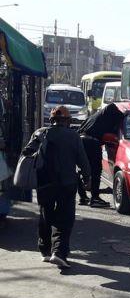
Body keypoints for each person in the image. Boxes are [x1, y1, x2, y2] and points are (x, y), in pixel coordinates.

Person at [22, 106, 91, 269]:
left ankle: (45, 250)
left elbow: (26, 152)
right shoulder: (73, 136)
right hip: (66, 183)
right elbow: (82, 160)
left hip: (44, 183)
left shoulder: (40, 133)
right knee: (64, 218)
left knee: (46, 213)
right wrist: (87, 178)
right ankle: (58, 253)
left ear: (51, 120)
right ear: (66, 121)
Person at [76, 103, 124, 208]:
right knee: (96, 171)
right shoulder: (113, 116)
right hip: (92, 142)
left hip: (80, 141)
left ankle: (83, 197)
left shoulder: (94, 117)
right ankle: (95, 198)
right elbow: (117, 126)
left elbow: (79, 130)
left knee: (81, 170)